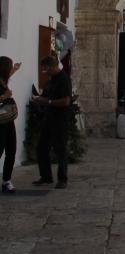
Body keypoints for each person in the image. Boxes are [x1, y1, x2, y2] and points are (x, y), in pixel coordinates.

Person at [32, 55, 72, 189]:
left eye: (45, 69)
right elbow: (46, 95)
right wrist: (39, 99)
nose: (45, 72)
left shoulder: (63, 79)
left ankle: (62, 179)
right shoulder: (51, 80)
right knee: (42, 147)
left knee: (60, 149)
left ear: (53, 66)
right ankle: (46, 176)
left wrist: (47, 102)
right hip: (48, 119)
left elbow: (66, 101)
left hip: (60, 120)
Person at [0, 56, 21, 194]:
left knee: (11, 150)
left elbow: (8, 76)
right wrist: (4, 96)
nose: (11, 69)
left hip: (8, 120)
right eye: (10, 66)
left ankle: (6, 180)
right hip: (0, 122)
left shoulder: (3, 80)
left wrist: (15, 69)